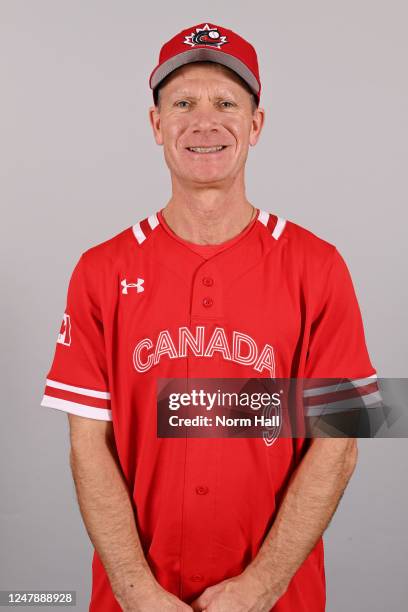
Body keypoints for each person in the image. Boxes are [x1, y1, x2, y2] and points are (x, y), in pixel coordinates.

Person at [40, 22, 378, 611]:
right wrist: (135, 590)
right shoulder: (99, 270)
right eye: (183, 104)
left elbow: (341, 439)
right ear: (156, 125)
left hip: (280, 599)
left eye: (226, 102)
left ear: (256, 124)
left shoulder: (318, 266)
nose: (205, 122)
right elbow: (86, 444)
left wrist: (261, 586)